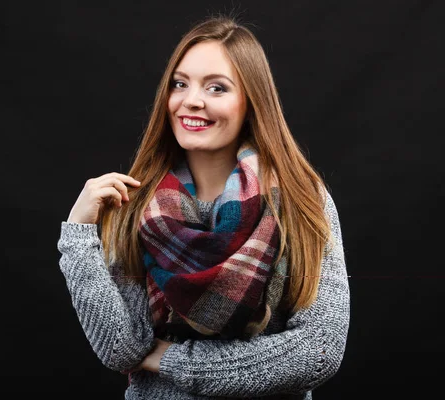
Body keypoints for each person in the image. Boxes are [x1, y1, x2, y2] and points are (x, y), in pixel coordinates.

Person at [57, 15, 349, 399]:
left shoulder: (300, 198)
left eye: (216, 88)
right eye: (180, 84)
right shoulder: (136, 205)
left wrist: (172, 361)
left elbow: (318, 350)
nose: (191, 100)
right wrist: (78, 233)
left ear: (251, 102)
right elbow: (122, 348)